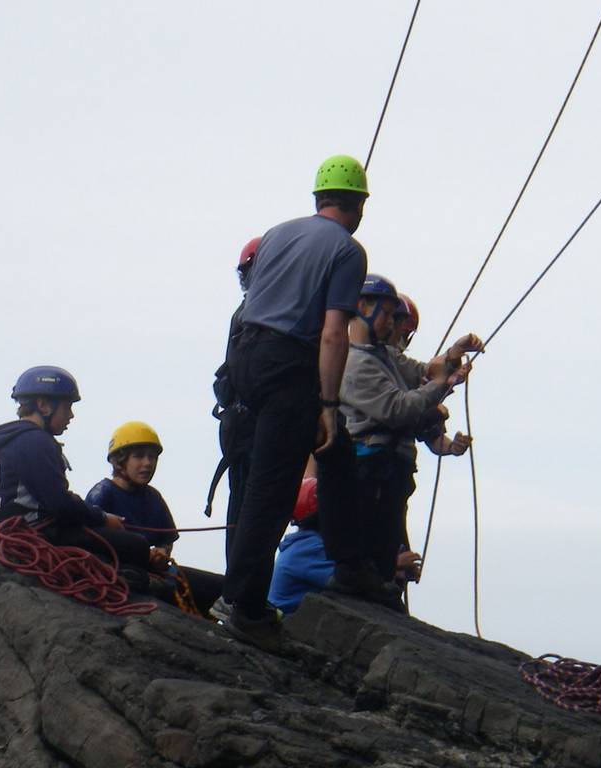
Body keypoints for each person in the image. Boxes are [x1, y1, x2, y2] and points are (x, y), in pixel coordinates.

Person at [220, 154, 369, 652]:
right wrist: (328, 405)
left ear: (318, 198)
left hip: (246, 357)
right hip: (289, 363)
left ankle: (351, 567)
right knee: (273, 485)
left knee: (335, 454)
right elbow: (332, 333)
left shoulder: (277, 233)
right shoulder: (348, 252)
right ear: (359, 205)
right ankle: (243, 605)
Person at [338, 275, 482, 587]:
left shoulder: (382, 356)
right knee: (373, 551)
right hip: (370, 468)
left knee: (387, 545)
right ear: (361, 307)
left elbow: (422, 372)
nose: (392, 324)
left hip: (389, 470)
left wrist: (453, 354)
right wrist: (444, 383)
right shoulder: (355, 364)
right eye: (388, 314)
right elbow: (398, 409)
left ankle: (382, 587)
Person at [0, 366, 156, 595]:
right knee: (137, 546)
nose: (71, 416)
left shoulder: (15, 439)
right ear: (43, 405)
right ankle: (124, 583)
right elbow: (60, 505)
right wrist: (102, 517)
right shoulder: (35, 441)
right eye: (67, 407)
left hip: (13, 532)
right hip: (36, 534)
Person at [87, 421, 223, 616]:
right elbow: (93, 542)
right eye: (139, 456)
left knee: (221, 586)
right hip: (121, 571)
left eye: (152, 457)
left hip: (156, 571)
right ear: (120, 461)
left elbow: (166, 539)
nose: (148, 464)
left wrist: (162, 553)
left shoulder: (153, 497)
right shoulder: (102, 494)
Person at [269, 472, 422, 615]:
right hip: (290, 622)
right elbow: (349, 581)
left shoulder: (306, 543)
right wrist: (391, 566)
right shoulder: (307, 548)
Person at [206, 237, 262, 563]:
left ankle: (242, 585)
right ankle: (241, 589)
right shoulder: (255, 312)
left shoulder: (248, 310)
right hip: (248, 424)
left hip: (243, 422)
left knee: (247, 504)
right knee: (248, 505)